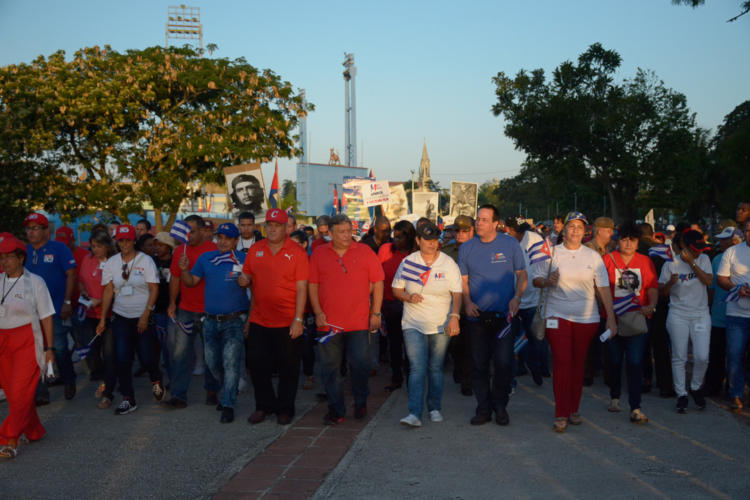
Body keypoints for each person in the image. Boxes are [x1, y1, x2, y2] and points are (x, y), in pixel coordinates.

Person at [532, 212, 616, 432]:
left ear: (586, 231)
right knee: (562, 363)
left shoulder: (593, 256)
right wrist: (546, 281)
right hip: (556, 315)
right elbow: (535, 279)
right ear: (564, 230)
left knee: (578, 365)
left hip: (586, 318)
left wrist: (611, 318)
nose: (576, 230)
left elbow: (603, 288)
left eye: (580, 227)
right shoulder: (552, 252)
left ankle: (574, 409)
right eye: (571, 226)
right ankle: (561, 412)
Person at [308, 214, 384, 424]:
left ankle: (360, 402)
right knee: (330, 368)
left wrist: (376, 312)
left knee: (360, 365)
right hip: (328, 324)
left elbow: (378, 282)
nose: (346, 235)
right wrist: (317, 312)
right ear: (330, 234)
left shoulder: (365, 252)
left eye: (349, 230)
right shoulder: (319, 254)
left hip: (358, 322)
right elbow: (312, 285)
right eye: (341, 232)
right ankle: (336, 409)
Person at [458, 205, 527, 426]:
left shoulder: (510, 244)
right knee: (479, 366)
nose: (479, 223)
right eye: (478, 219)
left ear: (496, 223)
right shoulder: (466, 248)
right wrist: (467, 302)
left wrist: (517, 297)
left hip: (504, 318)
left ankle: (500, 406)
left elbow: (522, 275)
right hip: (477, 317)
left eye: (484, 220)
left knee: (504, 364)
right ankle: (484, 408)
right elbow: (463, 281)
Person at [240, 209, 309, 425]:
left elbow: (302, 288)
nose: (272, 229)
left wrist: (298, 319)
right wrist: (242, 280)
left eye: (277, 226)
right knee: (257, 364)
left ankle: (285, 408)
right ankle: (264, 406)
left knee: (288, 367)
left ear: (286, 228)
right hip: (260, 318)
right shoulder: (256, 249)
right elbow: (247, 278)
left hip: (287, 320)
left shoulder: (297, 252)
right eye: (269, 225)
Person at [392, 221, 462, 427]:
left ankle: (434, 407)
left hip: (441, 323)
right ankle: (414, 413)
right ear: (418, 240)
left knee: (435, 367)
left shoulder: (448, 263)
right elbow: (396, 289)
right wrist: (407, 296)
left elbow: (457, 293)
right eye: (427, 240)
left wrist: (455, 316)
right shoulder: (409, 262)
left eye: (434, 240)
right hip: (413, 323)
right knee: (417, 367)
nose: (432, 243)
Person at [179, 223, 249, 423]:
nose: (223, 242)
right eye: (220, 238)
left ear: (236, 241)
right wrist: (184, 270)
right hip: (210, 321)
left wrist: (250, 319)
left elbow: (256, 289)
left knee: (230, 363)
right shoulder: (206, 258)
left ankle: (228, 404)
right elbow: (191, 282)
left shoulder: (244, 259)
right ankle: (229, 388)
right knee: (212, 363)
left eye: (228, 238)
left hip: (234, 320)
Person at [96, 224, 161, 415]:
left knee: (147, 357)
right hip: (121, 316)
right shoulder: (112, 262)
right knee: (122, 358)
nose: (124, 244)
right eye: (121, 241)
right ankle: (128, 398)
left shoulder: (146, 260)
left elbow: (154, 289)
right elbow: (108, 290)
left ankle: (156, 378)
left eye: (127, 240)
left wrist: (146, 315)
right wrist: (102, 319)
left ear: (134, 241)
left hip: (143, 316)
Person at [0, 235, 55, 459]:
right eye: (1, 257)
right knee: (13, 394)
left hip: (27, 340)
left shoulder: (35, 282)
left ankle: (9, 438)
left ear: (21, 258)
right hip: (3, 342)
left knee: (20, 391)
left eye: (8, 257)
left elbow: (47, 316)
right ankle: (33, 430)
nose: (4, 262)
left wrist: (49, 349)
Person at [602, 221, 658, 423]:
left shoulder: (645, 261)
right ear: (618, 241)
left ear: (637, 242)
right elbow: (600, 288)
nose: (628, 244)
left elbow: (652, 286)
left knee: (635, 362)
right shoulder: (607, 260)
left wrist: (651, 305)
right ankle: (615, 396)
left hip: (637, 319)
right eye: (624, 239)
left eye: (632, 240)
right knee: (615, 361)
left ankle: (635, 406)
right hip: (613, 318)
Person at [163, 214, 219, 408]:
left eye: (192, 232)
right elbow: (175, 277)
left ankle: (212, 391)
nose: (188, 236)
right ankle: (179, 395)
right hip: (185, 309)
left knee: (211, 354)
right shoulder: (180, 251)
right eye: (186, 232)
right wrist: (172, 303)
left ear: (203, 231)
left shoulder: (214, 250)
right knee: (180, 355)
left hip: (209, 310)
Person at [24, 213, 78, 402]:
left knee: (60, 348)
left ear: (46, 230)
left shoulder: (59, 248)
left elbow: (71, 274)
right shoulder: (24, 251)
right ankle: (40, 391)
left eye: (35, 228)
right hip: (31, 311)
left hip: (55, 308)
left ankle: (69, 379)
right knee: (36, 350)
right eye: (28, 228)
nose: (31, 232)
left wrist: (67, 302)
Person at [658, 229, 712, 413]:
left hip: (700, 314)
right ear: (684, 246)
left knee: (702, 357)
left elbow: (708, 281)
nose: (699, 252)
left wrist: (692, 263)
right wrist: (670, 283)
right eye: (696, 249)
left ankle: (695, 387)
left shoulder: (704, 259)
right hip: (678, 314)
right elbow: (661, 293)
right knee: (679, 356)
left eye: (701, 248)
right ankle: (681, 393)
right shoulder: (670, 264)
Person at [505, 218, 547, 386]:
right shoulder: (505, 242)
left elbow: (544, 264)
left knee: (535, 338)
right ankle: (515, 372)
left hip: (533, 299)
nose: (522, 234)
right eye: (517, 230)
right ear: (509, 229)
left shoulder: (535, 239)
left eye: (523, 230)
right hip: (512, 299)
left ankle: (535, 366)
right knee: (512, 339)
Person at [78, 230, 117, 408]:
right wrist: (84, 293)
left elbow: (116, 289)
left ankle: (108, 392)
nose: (95, 249)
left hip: (109, 315)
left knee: (109, 355)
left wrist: (100, 301)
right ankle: (104, 380)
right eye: (93, 246)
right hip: (90, 313)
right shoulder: (87, 259)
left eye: (99, 246)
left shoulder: (114, 262)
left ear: (107, 246)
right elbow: (81, 280)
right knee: (91, 353)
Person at [378, 220, 417, 392]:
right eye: (395, 236)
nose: (396, 240)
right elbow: (378, 277)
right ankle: (396, 378)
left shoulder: (416, 253)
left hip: (411, 306)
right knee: (394, 344)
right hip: (390, 304)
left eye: (400, 237)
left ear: (409, 237)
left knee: (410, 346)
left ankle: (411, 380)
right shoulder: (385, 250)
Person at [716, 219, 750, 411]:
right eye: (747, 230)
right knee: (735, 355)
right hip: (736, 314)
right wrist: (737, 288)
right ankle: (735, 393)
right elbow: (721, 278)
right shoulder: (732, 252)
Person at [442, 215, 475, 395]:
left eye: (464, 231)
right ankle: (458, 368)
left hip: (473, 305)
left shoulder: (480, 250)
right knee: (454, 345)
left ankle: (467, 381)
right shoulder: (446, 252)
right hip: (452, 307)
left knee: (470, 345)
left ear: (472, 231)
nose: (460, 234)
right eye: (457, 230)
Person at [705, 226, 739, 397]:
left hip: (737, 315)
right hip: (719, 314)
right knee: (717, 353)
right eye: (721, 239)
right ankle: (715, 386)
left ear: (736, 241)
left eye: (726, 240)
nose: (721, 242)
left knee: (734, 355)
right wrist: (709, 307)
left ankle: (730, 389)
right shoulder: (718, 259)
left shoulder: (740, 258)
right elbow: (711, 287)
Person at [151, 232, 176, 386]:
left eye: (160, 245)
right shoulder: (151, 262)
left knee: (172, 345)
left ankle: (175, 378)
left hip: (173, 308)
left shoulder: (175, 261)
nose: (157, 248)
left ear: (168, 246)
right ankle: (166, 377)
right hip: (158, 309)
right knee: (162, 345)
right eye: (155, 245)